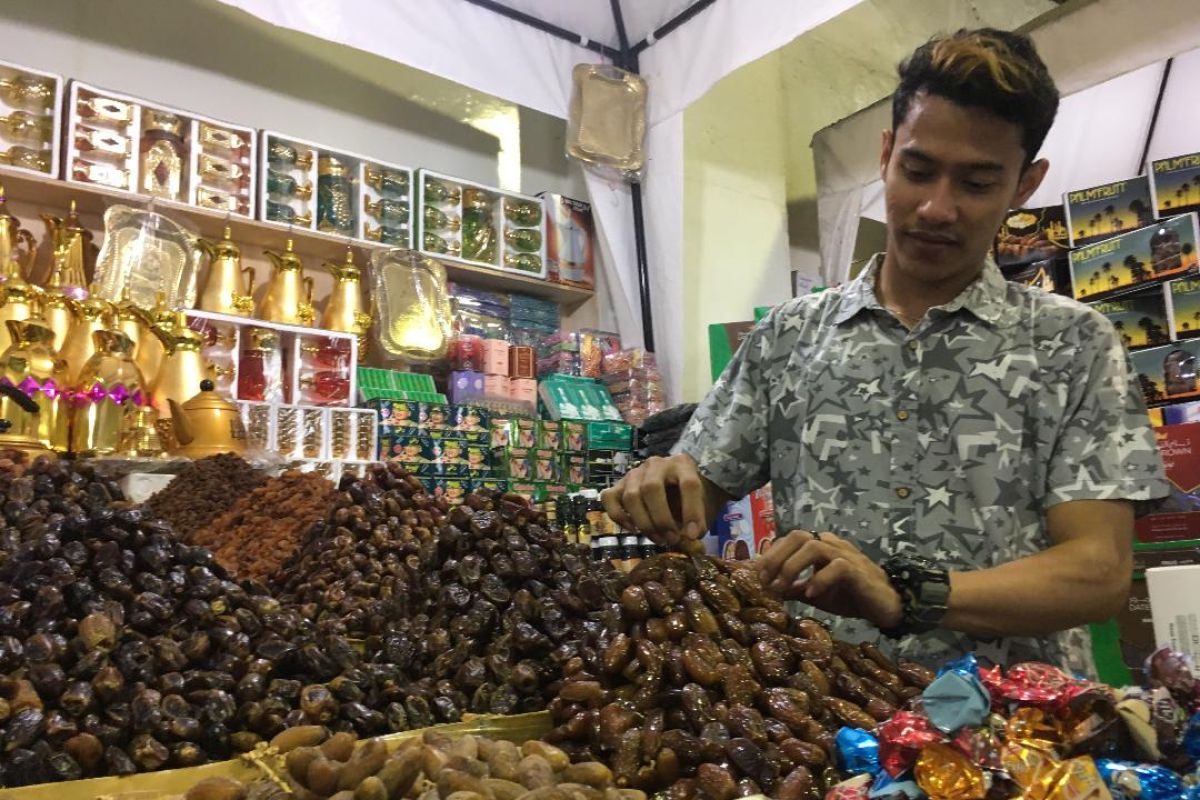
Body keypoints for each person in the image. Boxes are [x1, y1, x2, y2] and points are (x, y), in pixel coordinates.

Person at [601, 28, 1168, 674]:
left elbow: (1097, 571)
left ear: (1025, 184)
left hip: (1013, 748)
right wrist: (664, 488)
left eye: (977, 183)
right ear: (886, 152)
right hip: (824, 741)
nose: (936, 207)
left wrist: (907, 596)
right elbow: (697, 485)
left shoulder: (1075, 347)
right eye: (918, 170)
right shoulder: (790, 338)